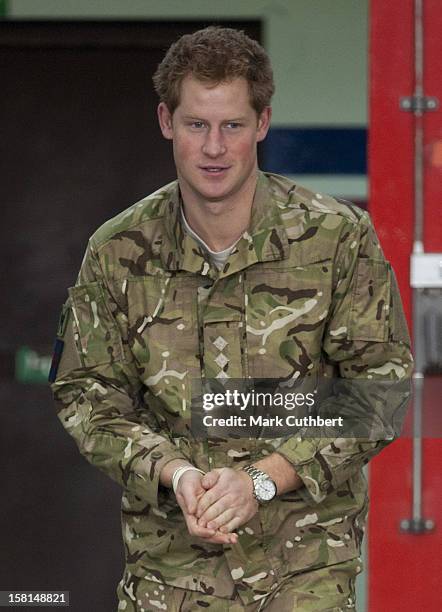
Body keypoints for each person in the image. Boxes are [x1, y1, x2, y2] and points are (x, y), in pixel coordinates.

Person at [49, 26, 413, 611]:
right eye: (196, 124)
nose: (214, 147)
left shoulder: (337, 238)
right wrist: (174, 473)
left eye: (233, 126)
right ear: (166, 121)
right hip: (169, 575)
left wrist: (264, 478)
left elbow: (381, 388)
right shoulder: (117, 250)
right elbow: (88, 393)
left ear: (262, 124)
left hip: (305, 571)